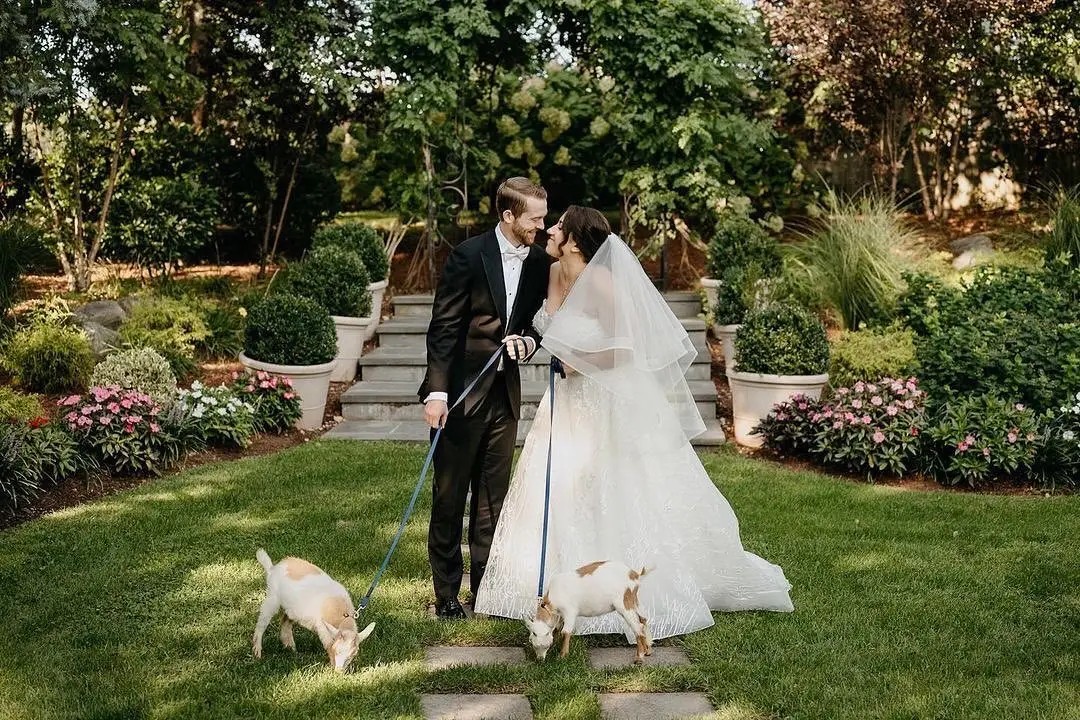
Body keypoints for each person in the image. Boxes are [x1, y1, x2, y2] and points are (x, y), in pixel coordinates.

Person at [474, 206, 794, 638]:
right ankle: (550, 586)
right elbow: (548, 331)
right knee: (560, 482)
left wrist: (577, 362)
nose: (549, 230)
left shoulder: (602, 281)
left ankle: (622, 588)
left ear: (572, 240)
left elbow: (627, 351)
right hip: (566, 402)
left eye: (558, 225)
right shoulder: (551, 274)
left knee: (614, 483)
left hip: (606, 398)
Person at [419, 177, 552, 620]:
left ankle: (485, 591)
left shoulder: (538, 262)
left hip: (504, 396)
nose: (543, 225)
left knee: (492, 500)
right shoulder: (468, 255)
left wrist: (529, 343)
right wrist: (437, 392)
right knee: (450, 496)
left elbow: (535, 321)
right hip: (459, 395)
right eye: (535, 218)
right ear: (508, 215)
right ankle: (446, 596)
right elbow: (444, 328)